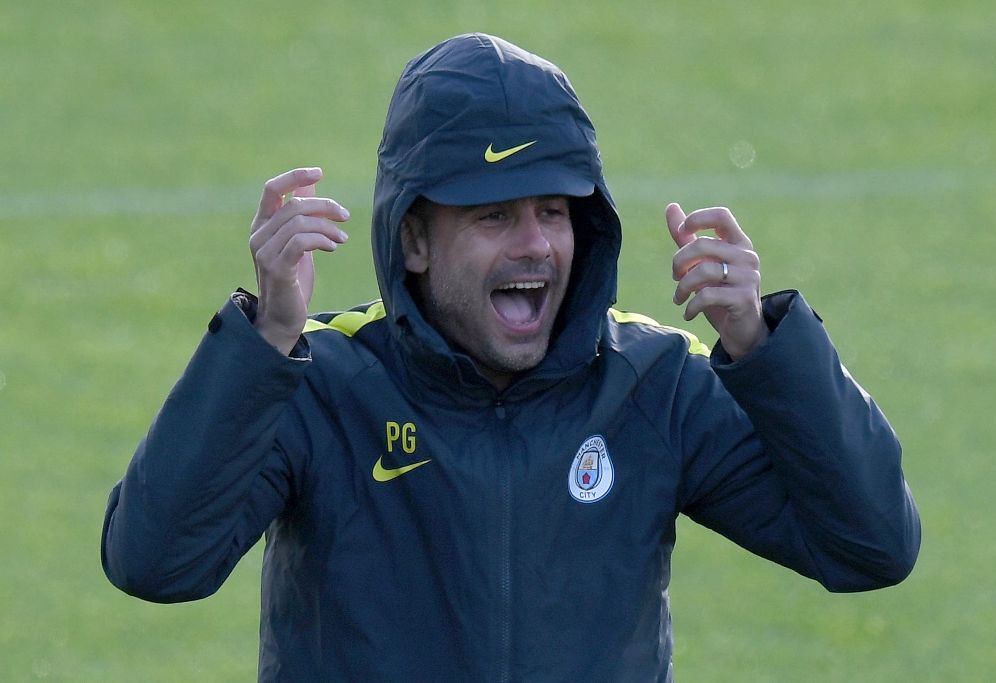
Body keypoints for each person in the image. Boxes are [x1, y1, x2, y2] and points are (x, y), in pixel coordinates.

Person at [101, 33, 920, 681]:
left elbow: (873, 543)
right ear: (413, 238)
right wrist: (264, 342)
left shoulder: (652, 382)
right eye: (493, 216)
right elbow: (155, 559)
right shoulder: (320, 381)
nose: (535, 244)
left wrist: (765, 348)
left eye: (554, 211)